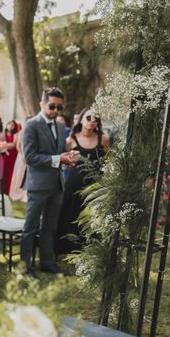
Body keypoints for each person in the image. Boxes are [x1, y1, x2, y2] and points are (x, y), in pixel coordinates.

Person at [21, 87, 79, 278]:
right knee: (30, 228)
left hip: (57, 184)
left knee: (50, 227)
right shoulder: (31, 125)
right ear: (42, 103)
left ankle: (47, 262)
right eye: (52, 106)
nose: (55, 110)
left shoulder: (61, 126)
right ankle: (25, 267)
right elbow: (29, 157)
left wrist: (69, 156)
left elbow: (59, 151)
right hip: (38, 185)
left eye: (59, 107)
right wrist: (57, 159)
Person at [56, 109, 108, 254]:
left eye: (96, 118)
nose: (92, 120)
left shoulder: (103, 138)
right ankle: (65, 248)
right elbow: (64, 161)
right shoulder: (71, 139)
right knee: (69, 214)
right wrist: (70, 158)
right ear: (81, 119)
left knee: (90, 217)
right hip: (74, 183)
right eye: (89, 117)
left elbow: (107, 160)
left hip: (95, 185)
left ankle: (88, 250)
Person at [1, 120, 19, 195]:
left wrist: (5, 145)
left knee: (10, 172)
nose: (11, 126)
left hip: (12, 155)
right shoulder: (3, 134)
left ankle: (9, 189)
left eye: (12, 125)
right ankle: (2, 188)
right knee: (3, 171)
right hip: (3, 154)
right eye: (9, 124)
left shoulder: (16, 134)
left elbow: (14, 145)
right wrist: (6, 145)